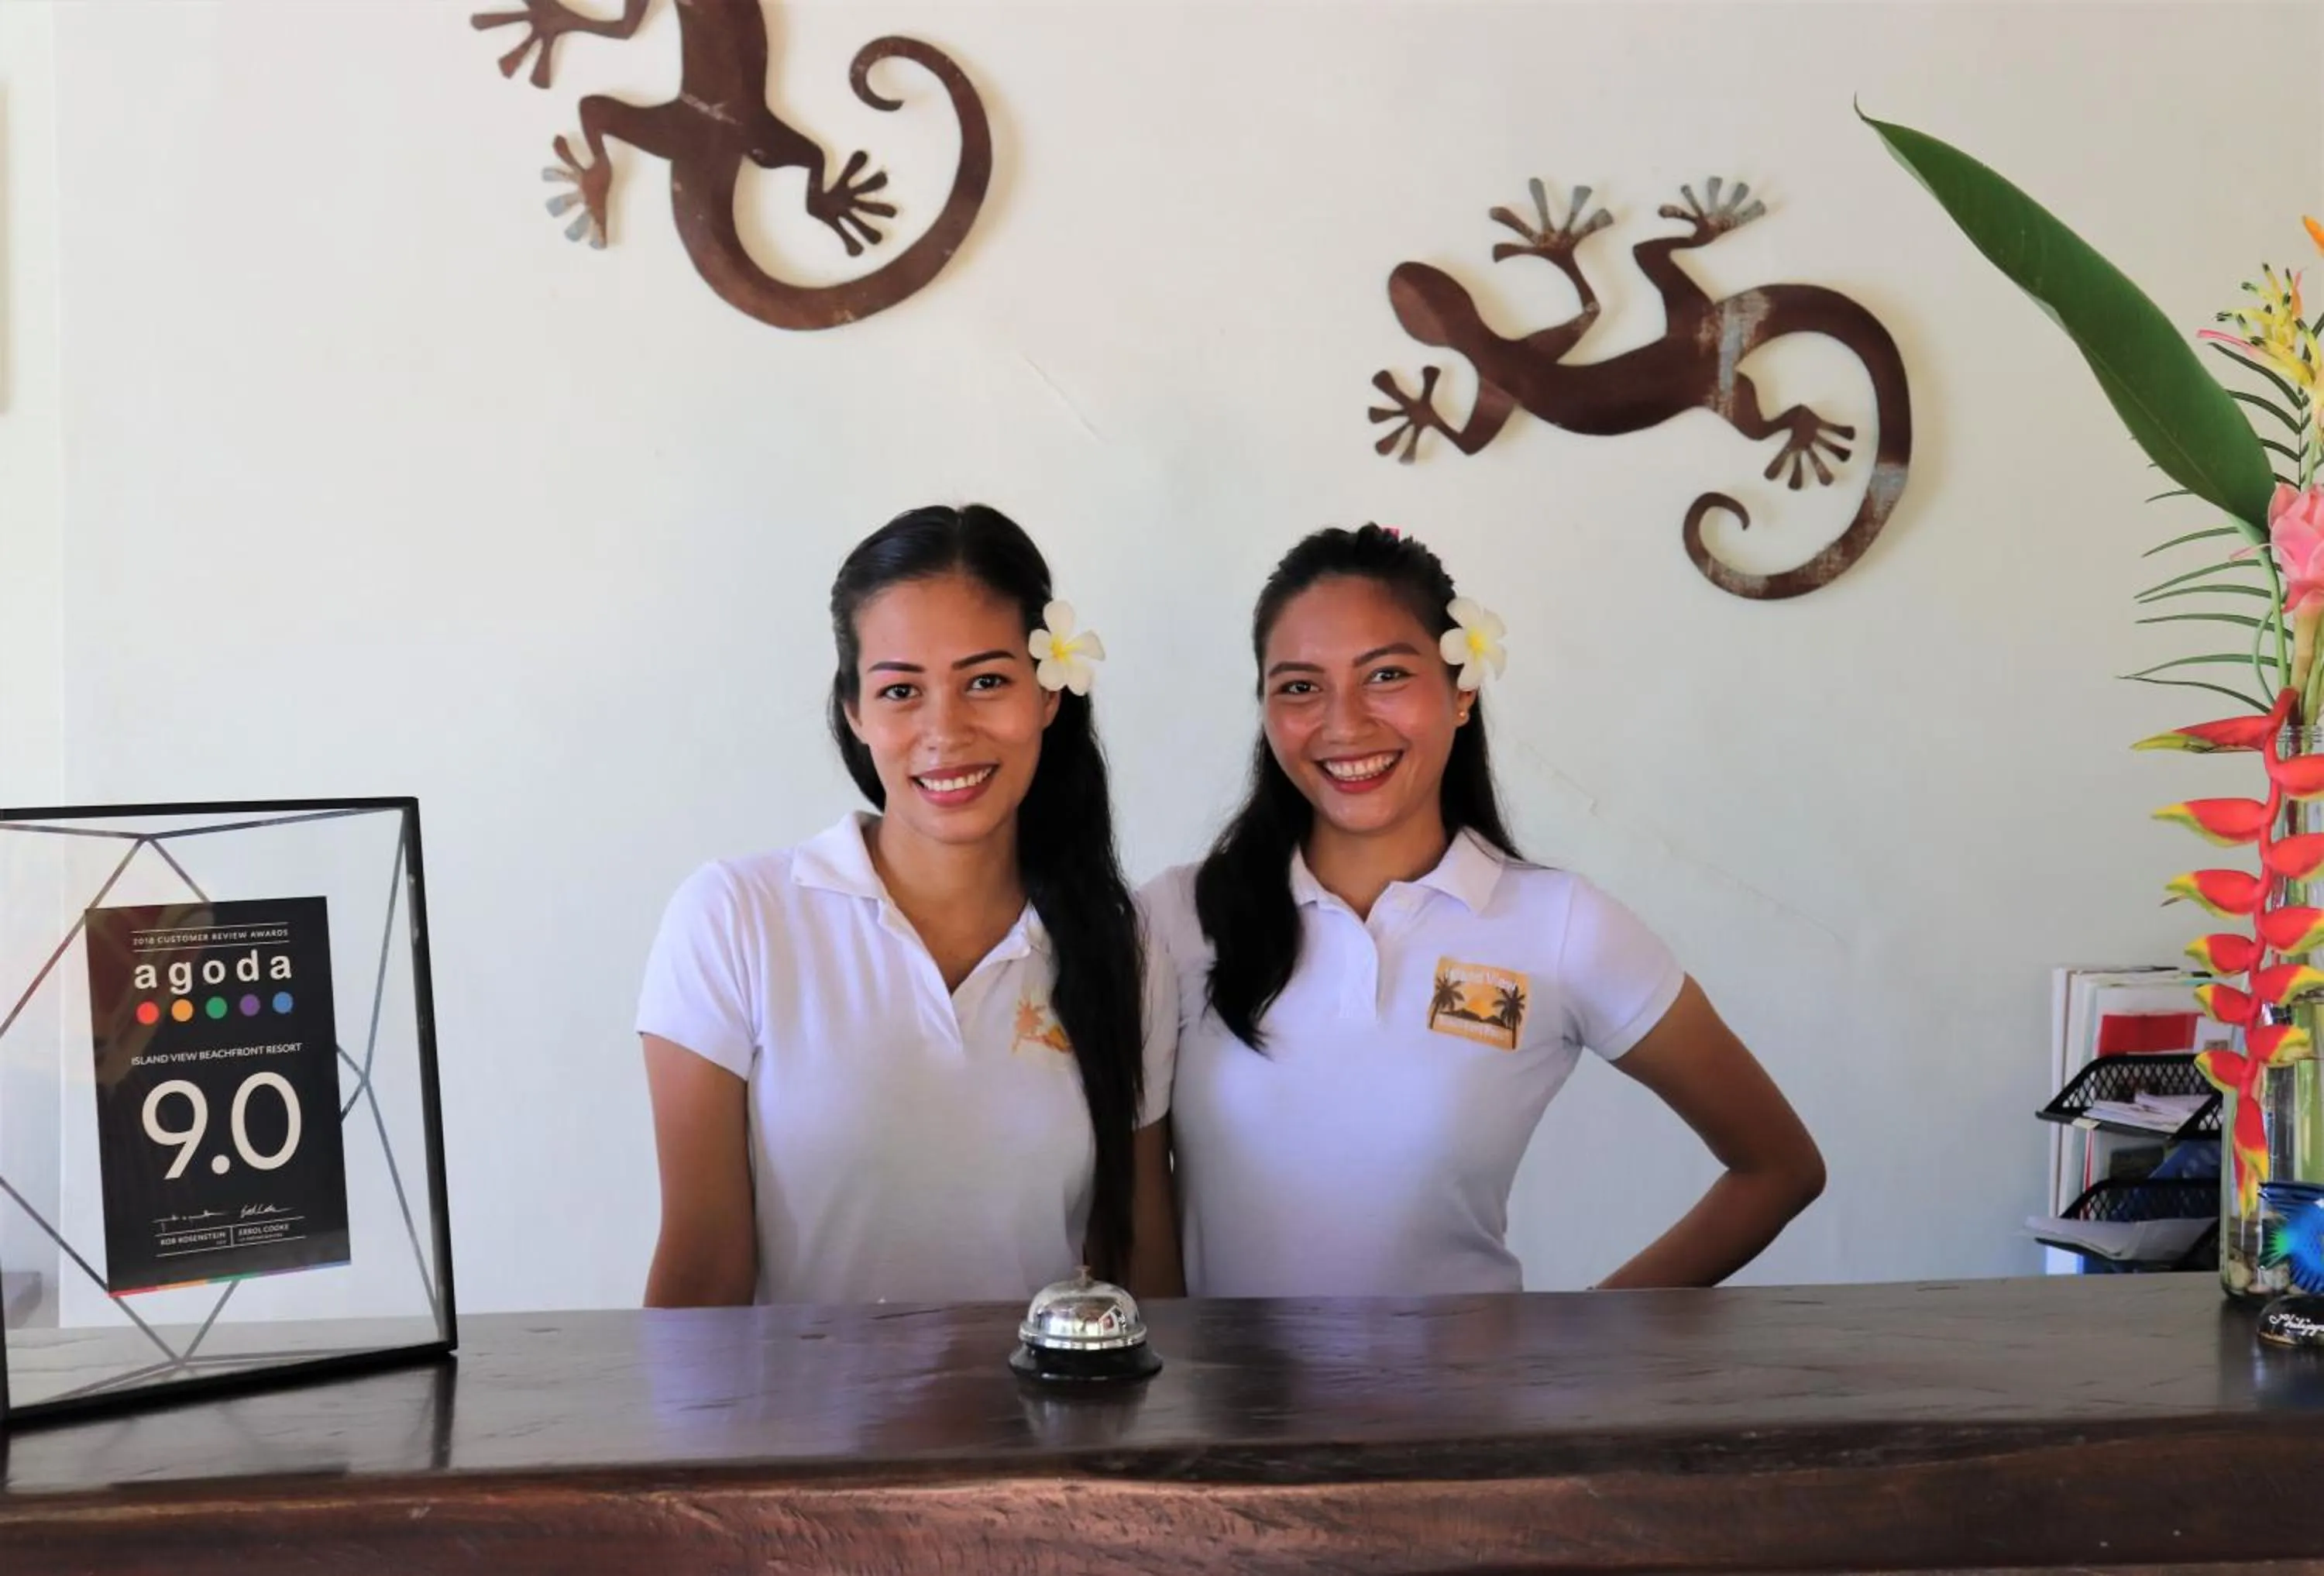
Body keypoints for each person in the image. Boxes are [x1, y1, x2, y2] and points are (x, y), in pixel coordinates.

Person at [1142, 523, 1824, 1297]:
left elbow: (1778, 1167)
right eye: (1300, 686)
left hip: (1464, 1418)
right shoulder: (1175, 919)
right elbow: (1134, 1202)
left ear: (1460, 692)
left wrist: (1577, 1347)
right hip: (1229, 1415)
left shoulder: (1560, 927)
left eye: (1387, 675)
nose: (1344, 721)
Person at [634, 504, 1181, 1306]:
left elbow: (1142, 1271)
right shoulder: (735, 920)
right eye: (901, 691)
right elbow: (702, 1271)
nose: (944, 731)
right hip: (800, 1432)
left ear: (1048, 695)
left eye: (986, 682)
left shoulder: (1123, 944)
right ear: (854, 711)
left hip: (1054, 1432)